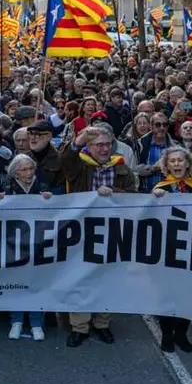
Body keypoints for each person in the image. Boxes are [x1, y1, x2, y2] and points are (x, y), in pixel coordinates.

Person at [62, 123, 136, 348]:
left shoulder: (122, 169)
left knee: (108, 279)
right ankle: (80, 327)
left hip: (112, 231)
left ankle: (102, 323)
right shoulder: (80, 166)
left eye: (107, 144)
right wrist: (77, 142)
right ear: (89, 146)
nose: (104, 149)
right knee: (80, 278)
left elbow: (133, 198)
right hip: (82, 230)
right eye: (98, 145)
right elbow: (64, 161)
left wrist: (115, 194)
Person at [151, 147, 192, 353]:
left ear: (188, 164)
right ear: (166, 166)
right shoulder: (160, 188)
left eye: (180, 160)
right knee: (167, 293)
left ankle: (181, 333)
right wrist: (153, 198)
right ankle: (167, 334)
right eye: (173, 161)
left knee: (189, 293)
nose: (177, 164)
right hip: (167, 249)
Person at [0, 153, 52, 341]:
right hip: (14, 243)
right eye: (23, 169)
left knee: (37, 282)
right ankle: (16, 321)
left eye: (31, 168)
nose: (28, 173)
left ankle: (37, 322)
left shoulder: (42, 186)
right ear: (15, 173)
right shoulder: (7, 187)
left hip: (38, 242)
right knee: (16, 281)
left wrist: (50, 199)